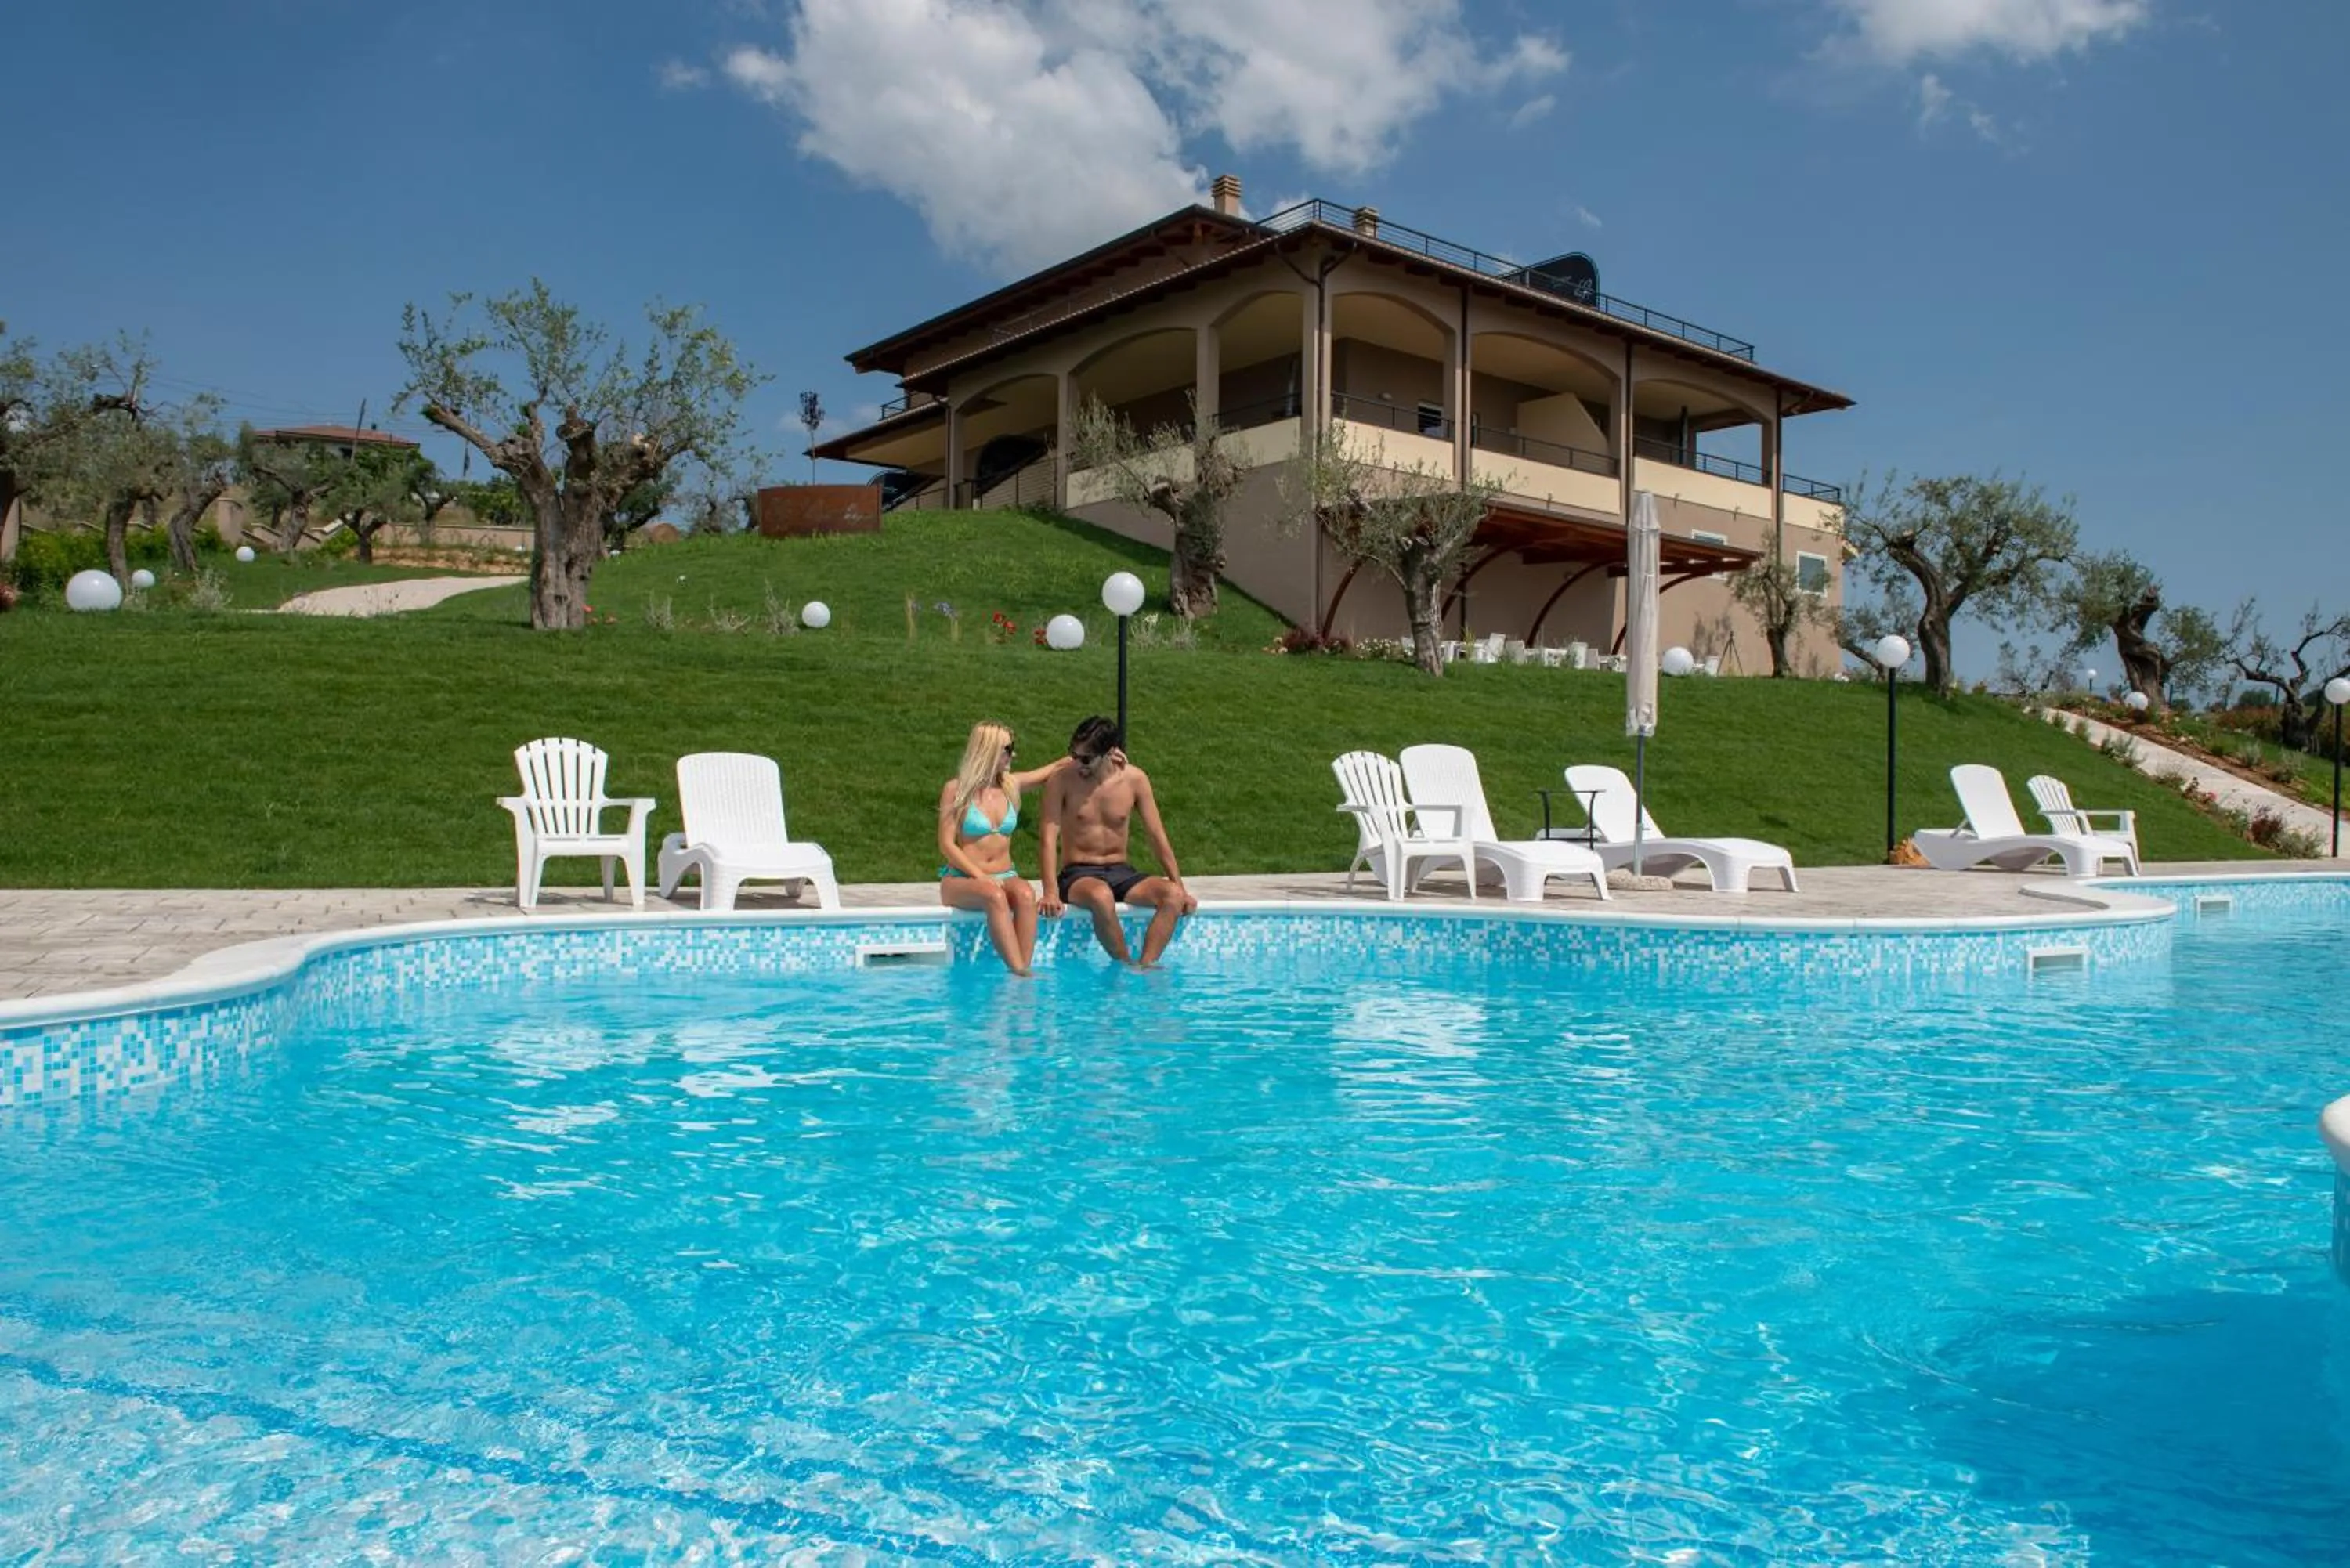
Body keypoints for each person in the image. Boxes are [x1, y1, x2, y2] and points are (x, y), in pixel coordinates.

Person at [1039, 716, 1196, 967]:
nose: (1077, 763)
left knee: (1173, 896)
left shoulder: (1135, 780)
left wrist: (1180, 885)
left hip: (1121, 872)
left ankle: (1146, 967)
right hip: (1078, 875)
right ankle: (1125, 966)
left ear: (1110, 753)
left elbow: (1156, 835)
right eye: (1074, 754)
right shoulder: (1062, 780)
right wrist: (1050, 891)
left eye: (1086, 758)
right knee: (1101, 896)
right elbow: (1048, 837)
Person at [936, 720, 1068, 977]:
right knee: (994, 897)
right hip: (962, 879)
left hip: (1006, 875)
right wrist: (980, 876)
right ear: (988, 750)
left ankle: (1022, 970)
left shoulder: (1010, 785)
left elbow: (1055, 768)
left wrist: (1099, 753)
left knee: (1027, 894)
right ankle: (1020, 971)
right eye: (1008, 749)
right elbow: (946, 844)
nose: (1013, 754)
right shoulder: (956, 789)